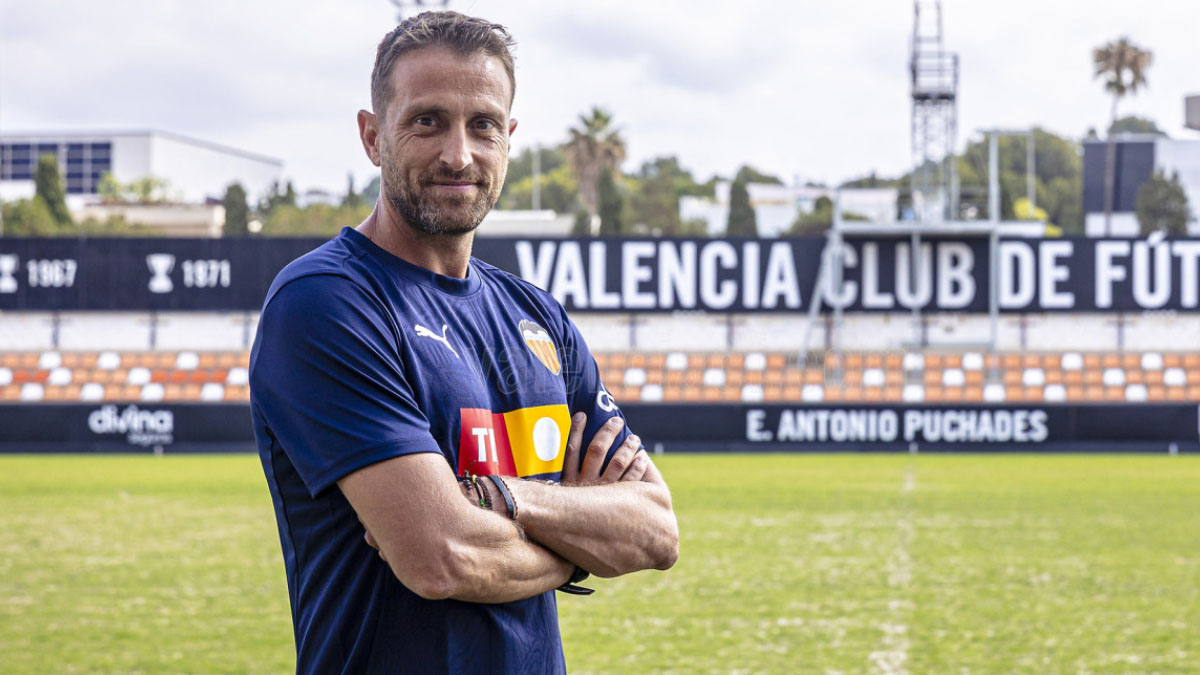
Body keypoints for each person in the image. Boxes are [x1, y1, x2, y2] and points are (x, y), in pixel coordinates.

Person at [249, 11, 679, 674]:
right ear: (372, 135)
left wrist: (505, 499)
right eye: (427, 121)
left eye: (482, 125)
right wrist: (580, 538)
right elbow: (440, 557)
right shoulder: (325, 302)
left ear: (508, 138)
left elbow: (654, 527)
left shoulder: (536, 318)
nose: (458, 154)